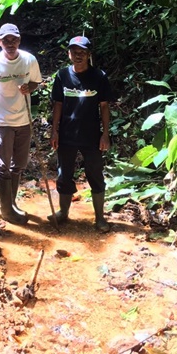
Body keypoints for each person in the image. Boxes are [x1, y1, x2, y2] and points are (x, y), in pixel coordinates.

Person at [49, 36, 112, 233]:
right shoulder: (62, 76)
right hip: (67, 135)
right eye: (74, 51)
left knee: (95, 174)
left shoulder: (99, 76)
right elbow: (58, 104)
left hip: (91, 135)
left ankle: (100, 218)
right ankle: (63, 212)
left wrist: (105, 134)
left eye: (82, 52)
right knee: (64, 174)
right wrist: (55, 130)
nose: (78, 55)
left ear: (89, 55)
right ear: (69, 54)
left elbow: (104, 106)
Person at [0, 23, 42, 225]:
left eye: (14, 39)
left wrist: (30, 88)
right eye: (6, 40)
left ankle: (12, 204)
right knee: (3, 166)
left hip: (24, 119)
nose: (10, 43)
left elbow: (36, 81)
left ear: (19, 40)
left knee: (18, 165)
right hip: (2, 121)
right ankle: (6, 210)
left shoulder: (29, 60)